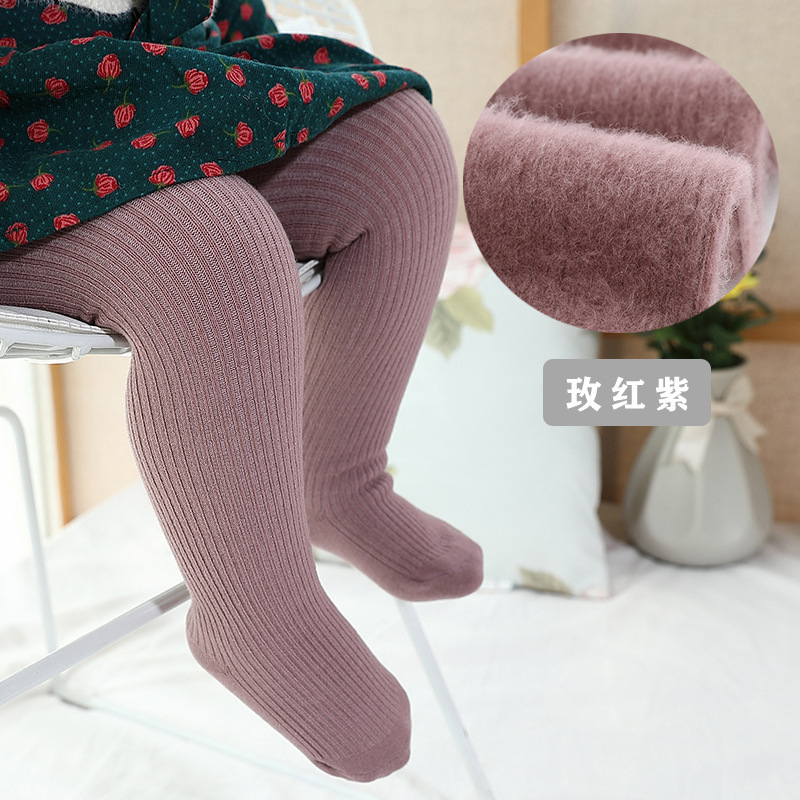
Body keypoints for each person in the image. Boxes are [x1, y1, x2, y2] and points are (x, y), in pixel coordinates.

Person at [0, 0, 483, 782]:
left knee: (399, 145)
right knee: (210, 249)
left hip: (167, 78)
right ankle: (254, 611)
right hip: (21, 141)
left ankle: (338, 477)